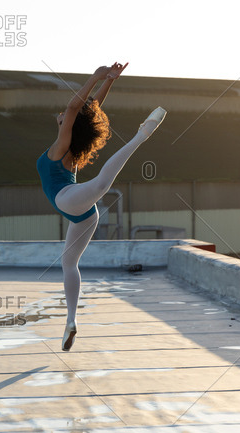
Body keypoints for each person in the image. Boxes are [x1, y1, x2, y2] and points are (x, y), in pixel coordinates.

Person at [36, 62, 166, 351]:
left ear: (68, 124)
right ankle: (70, 321)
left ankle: (141, 135)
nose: (62, 113)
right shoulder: (71, 145)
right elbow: (89, 109)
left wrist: (96, 76)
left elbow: (75, 109)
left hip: (69, 200)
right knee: (68, 263)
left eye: (65, 115)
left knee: (99, 186)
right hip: (84, 215)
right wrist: (109, 81)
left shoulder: (62, 145)